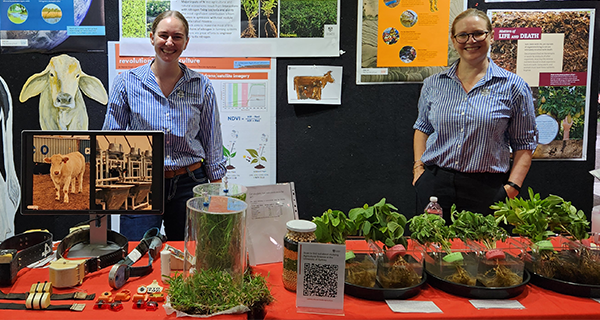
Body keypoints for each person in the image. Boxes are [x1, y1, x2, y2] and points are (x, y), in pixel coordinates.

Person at [103, 10, 226, 241]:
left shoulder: (201, 86)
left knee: (191, 256)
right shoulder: (127, 82)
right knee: (136, 255)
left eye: (177, 37)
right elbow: (111, 139)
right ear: (152, 38)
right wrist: (108, 190)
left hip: (190, 183)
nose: (169, 42)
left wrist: (217, 191)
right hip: (140, 182)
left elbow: (212, 141)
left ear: (186, 42)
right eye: (163, 35)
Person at [412, 8, 538, 220]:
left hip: (487, 189)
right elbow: (422, 128)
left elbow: (524, 143)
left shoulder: (514, 86)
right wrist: (418, 170)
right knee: (432, 249)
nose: (470, 41)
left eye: (478, 33)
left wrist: (512, 188)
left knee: (484, 251)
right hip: (436, 185)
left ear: (491, 35)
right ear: (454, 40)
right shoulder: (433, 84)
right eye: (462, 35)